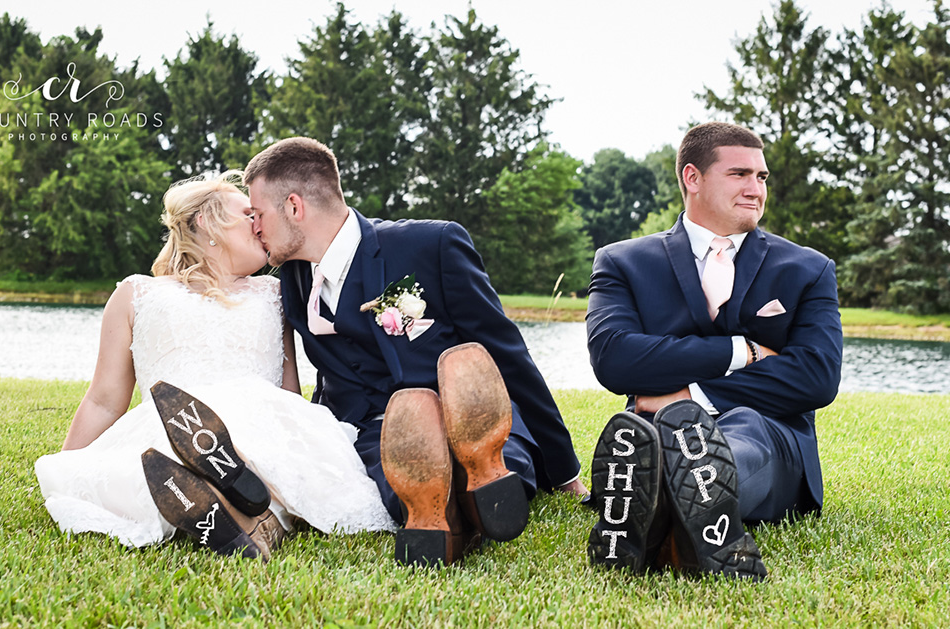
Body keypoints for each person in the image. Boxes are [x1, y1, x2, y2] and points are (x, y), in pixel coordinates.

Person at [243, 137, 588, 566]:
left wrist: (565, 471)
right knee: (396, 489)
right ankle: (444, 510)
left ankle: (475, 478)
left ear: (295, 207)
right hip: (378, 432)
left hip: (466, 411)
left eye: (257, 214)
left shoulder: (430, 245)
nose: (254, 227)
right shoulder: (291, 279)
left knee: (505, 463)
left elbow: (508, 354)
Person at [35, 173, 395, 556]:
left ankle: (235, 503)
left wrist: (306, 438)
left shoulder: (274, 292)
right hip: (177, 425)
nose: (259, 224)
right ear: (207, 222)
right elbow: (104, 400)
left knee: (269, 453)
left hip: (261, 421)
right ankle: (223, 497)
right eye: (247, 214)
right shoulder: (138, 294)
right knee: (159, 458)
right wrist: (69, 466)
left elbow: (287, 393)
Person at [584, 122, 842, 580]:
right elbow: (615, 358)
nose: (755, 189)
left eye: (761, 178)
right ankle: (670, 504)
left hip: (772, 438)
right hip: (653, 430)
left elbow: (816, 376)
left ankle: (653, 499)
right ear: (692, 178)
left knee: (744, 428)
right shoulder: (623, 261)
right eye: (740, 174)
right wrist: (744, 351)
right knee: (663, 436)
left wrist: (690, 395)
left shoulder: (808, 268)